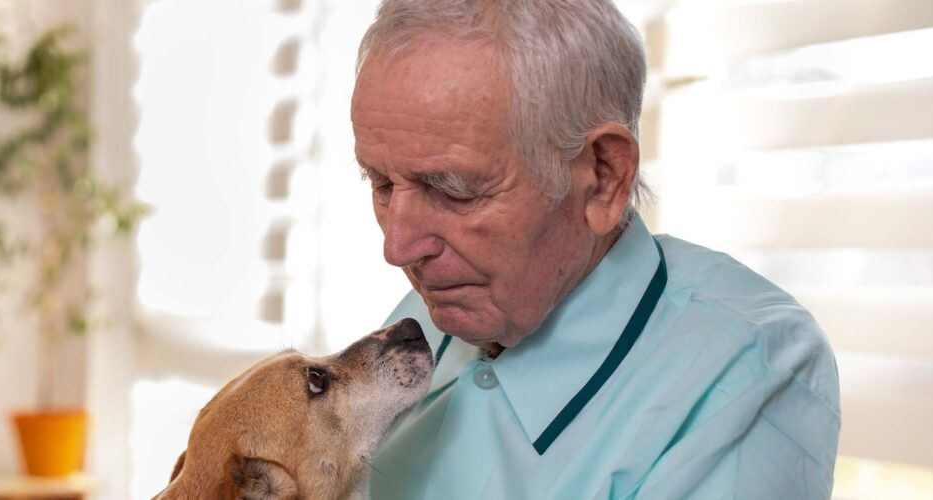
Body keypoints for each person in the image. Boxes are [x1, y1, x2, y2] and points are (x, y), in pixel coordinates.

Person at [350, 0, 840, 498]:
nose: (398, 246)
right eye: (381, 183)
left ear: (604, 176)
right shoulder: (446, 297)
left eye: (454, 189)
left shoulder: (749, 367)